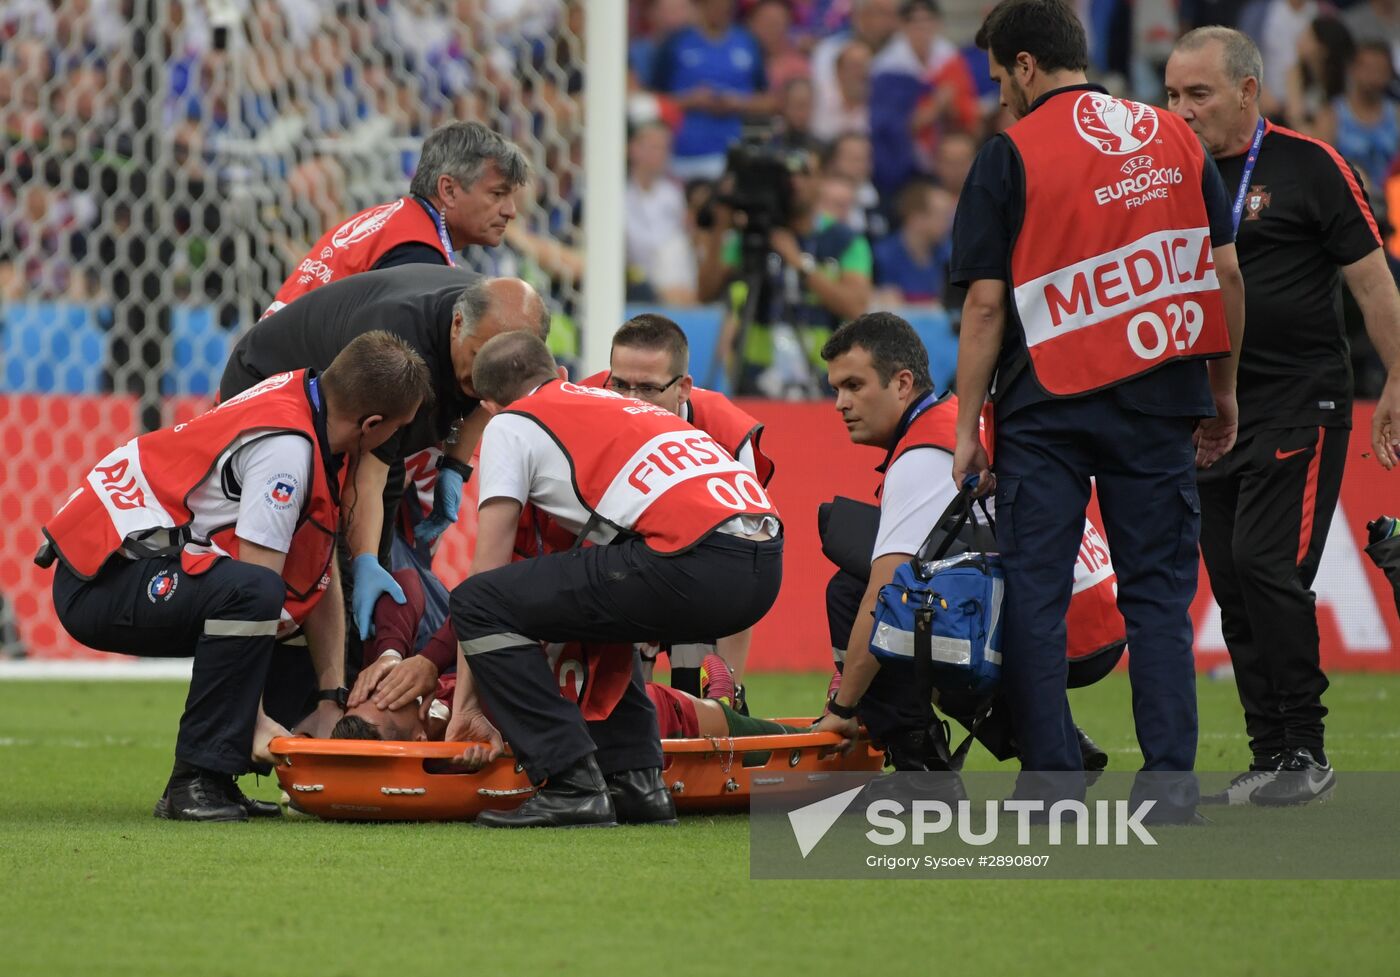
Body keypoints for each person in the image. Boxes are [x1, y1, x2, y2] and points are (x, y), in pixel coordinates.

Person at [948, 0, 1246, 821]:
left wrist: (969, 424)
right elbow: (1224, 275)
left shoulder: (1010, 153)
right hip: (1161, 396)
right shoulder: (1175, 136)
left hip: (1048, 404)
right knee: (1156, 596)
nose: (1000, 97)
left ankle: (1050, 781)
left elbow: (984, 306)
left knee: (1037, 595)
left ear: (1026, 66)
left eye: (1000, 78)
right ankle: (1170, 783)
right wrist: (1221, 392)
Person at [40, 331, 432, 821]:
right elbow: (257, 588)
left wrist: (330, 696)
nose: (394, 442)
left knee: (286, 601)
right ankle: (194, 781)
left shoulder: (312, 407)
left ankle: (219, 779)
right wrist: (255, 721)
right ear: (372, 423)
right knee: (259, 594)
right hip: (99, 576)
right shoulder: (287, 453)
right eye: (397, 429)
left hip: (129, 562)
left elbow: (318, 563)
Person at [1166, 27, 1400, 806]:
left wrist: (1398, 375)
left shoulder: (1311, 165)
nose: (1182, 110)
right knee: (1232, 582)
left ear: (1246, 91)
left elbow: (1372, 285)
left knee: (1269, 567)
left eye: (1197, 94)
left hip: (1299, 404)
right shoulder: (1161, 176)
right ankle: (1270, 752)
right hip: (1203, 413)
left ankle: (1305, 746)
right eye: (1171, 94)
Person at [443, 332, 783, 828]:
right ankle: (636, 780)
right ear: (560, 374)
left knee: (477, 601)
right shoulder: (609, 401)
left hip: (694, 559)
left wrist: (466, 705)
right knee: (595, 601)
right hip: (765, 564)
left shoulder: (510, 423)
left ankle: (569, 780)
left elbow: (488, 567)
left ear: (489, 406)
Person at [811, 313, 1119, 773]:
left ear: (902, 383)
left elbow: (879, 596)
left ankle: (922, 771)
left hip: (1059, 632)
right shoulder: (955, 422)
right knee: (932, 595)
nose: (840, 403)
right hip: (1092, 618)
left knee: (859, 593)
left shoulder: (922, 456)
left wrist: (843, 708)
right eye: (836, 389)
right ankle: (1048, 736)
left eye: (854, 386)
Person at [221, 268, 549, 645]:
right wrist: (366, 562)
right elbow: (370, 476)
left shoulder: (500, 320)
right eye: (476, 358)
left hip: (344, 401)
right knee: (311, 545)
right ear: (457, 323)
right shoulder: (406, 348)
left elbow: (486, 395)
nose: (481, 375)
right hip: (266, 381)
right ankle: (273, 663)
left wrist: (455, 467)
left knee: (364, 547)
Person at [582, 313, 777, 701]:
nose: (631, 402)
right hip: (620, 568)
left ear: (683, 388)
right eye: (620, 385)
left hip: (697, 574)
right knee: (621, 704)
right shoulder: (586, 404)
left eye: (649, 389)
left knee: (701, 695)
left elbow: (748, 565)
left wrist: (730, 682)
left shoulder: (726, 434)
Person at [263, 120, 529, 318]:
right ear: (448, 190)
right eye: (497, 194)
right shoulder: (416, 253)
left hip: (264, 377)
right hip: (284, 386)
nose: (510, 211)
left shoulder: (391, 222)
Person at [697, 148, 872, 397]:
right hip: (754, 378)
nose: (795, 182)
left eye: (804, 173)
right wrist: (719, 231)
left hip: (823, 377)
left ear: (821, 180)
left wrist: (799, 263)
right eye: (787, 174)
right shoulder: (751, 239)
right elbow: (705, 292)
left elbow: (856, 306)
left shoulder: (845, 241)